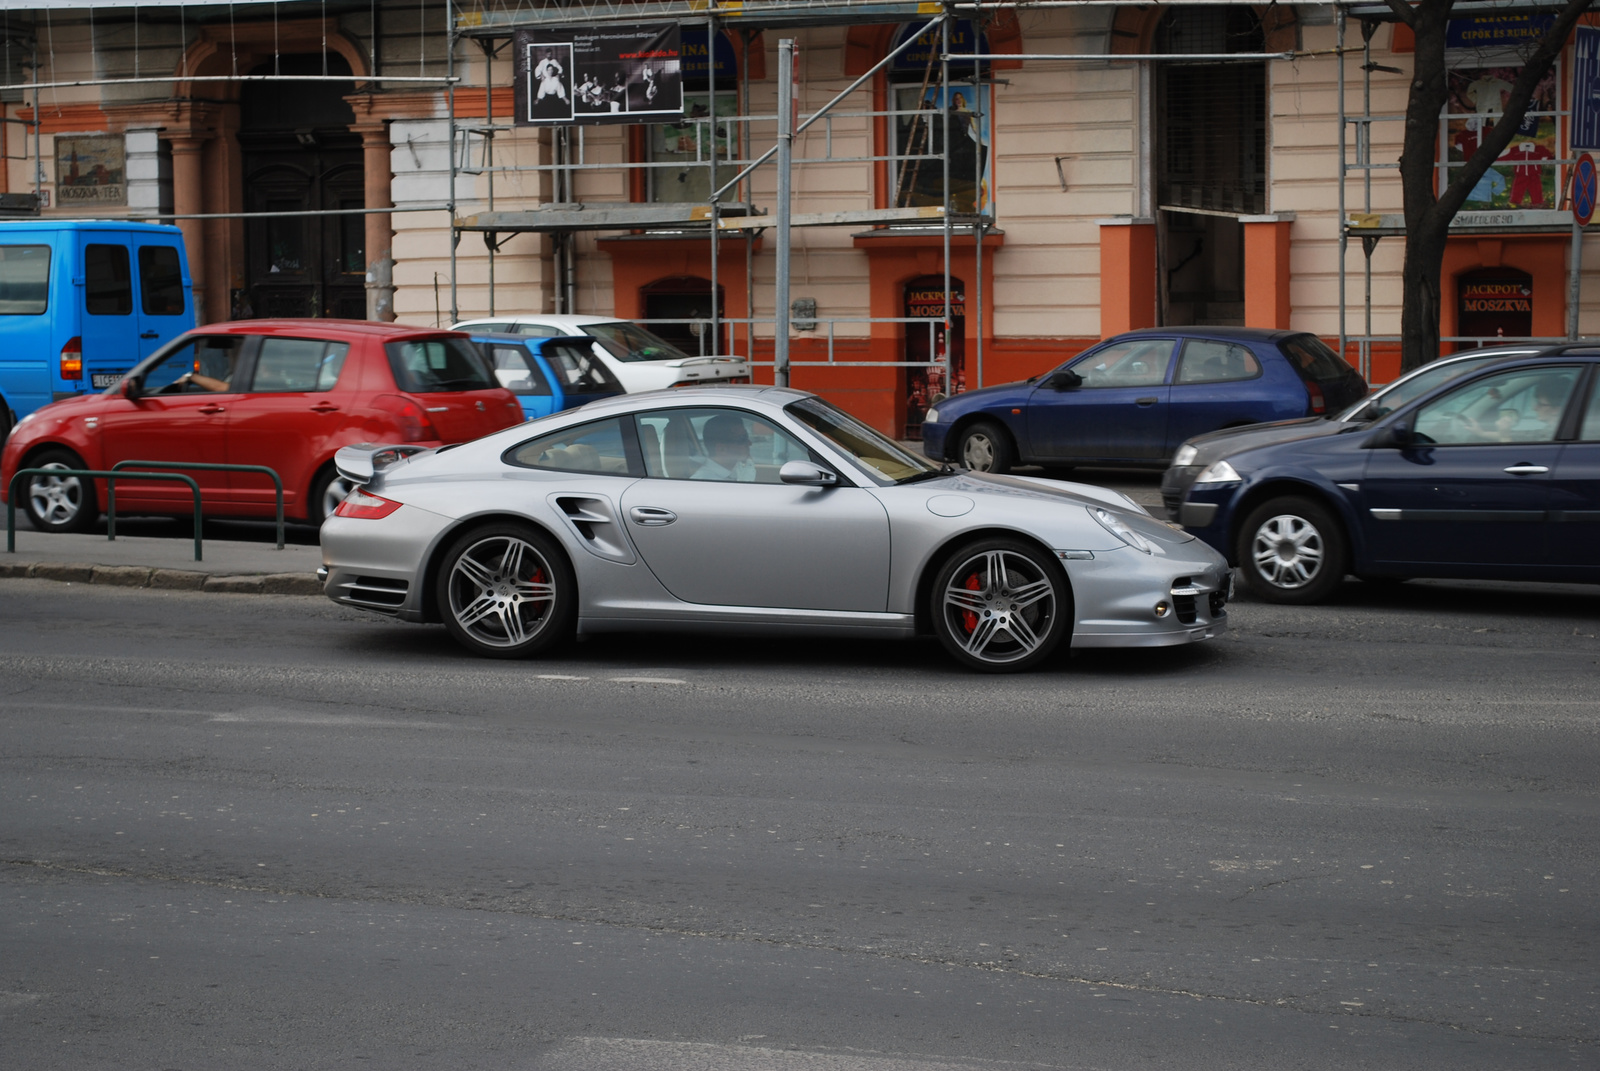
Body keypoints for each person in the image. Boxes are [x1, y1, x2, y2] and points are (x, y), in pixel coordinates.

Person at [692, 413, 756, 481]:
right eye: (742, 439)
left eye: (747, 436)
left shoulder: (736, 470)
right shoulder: (706, 483)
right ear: (721, 449)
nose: (749, 443)